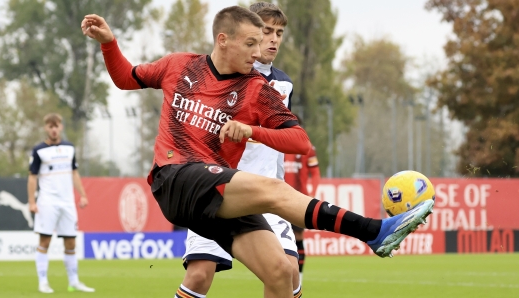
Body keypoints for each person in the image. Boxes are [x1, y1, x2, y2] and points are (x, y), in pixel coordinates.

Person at [82, 6, 434, 297]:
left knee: (282, 272)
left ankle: (374, 232)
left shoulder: (257, 88)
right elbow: (127, 77)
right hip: (175, 178)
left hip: (217, 197)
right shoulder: (179, 65)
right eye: (251, 42)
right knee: (273, 194)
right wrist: (110, 43)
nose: (258, 50)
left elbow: (300, 142)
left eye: (262, 42)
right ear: (223, 40)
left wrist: (254, 131)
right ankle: (373, 230)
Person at [178, 3, 302, 298]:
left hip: (266, 193)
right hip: (219, 189)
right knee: (198, 276)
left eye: (279, 33)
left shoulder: (284, 85)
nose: (273, 39)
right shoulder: (221, 74)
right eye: (267, 31)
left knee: (288, 271)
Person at [28, 113, 95, 294]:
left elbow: (74, 173)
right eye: (50, 126)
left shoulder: (69, 148)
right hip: (48, 202)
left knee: (71, 243)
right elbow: (32, 177)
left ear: (61, 127)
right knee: (45, 240)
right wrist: (32, 201)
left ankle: (74, 282)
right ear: (46, 128)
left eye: (56, 125)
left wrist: (82, 195)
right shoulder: (38, 150)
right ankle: (43, 282)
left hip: (67, 203)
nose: (54, 129)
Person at [284, 140, 320, 282]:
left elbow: (315, 173)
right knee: (276, 239)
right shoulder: (275, 145)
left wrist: (312, 194)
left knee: (298, 237)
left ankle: (299, 277)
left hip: (299, 199)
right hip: (278, 197)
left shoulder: (307, 148)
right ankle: (282, 275)